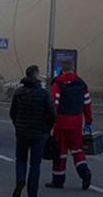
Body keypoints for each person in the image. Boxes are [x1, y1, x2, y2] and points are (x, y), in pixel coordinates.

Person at [46, 61, 93, 190]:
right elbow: (87, 104)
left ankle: (58, 180)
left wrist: (49, 123)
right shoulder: (81, 83)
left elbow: (54, 104)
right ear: (73, 69)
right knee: (77, 149)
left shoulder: (58, 83)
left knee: (60, 151)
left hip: (61, 122)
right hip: (77, 121)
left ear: (62, 70)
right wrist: (88, 122)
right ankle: (85, 172)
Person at [10, 65, 55, 197]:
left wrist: (17, 125)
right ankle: (32, 192)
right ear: (35, 75)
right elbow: (52, 114)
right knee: (35, 164)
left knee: (21, 159)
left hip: (22, 133)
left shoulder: (19, 92)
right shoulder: (43, 93)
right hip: (39, 134)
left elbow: (12, 112)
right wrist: (47, 129)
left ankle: (20, 180)